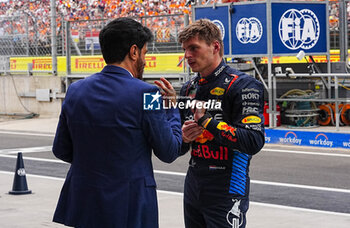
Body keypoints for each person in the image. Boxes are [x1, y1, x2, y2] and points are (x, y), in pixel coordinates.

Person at [52, 18, 184, 228]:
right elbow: (168, 150)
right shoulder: (148, 93)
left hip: (84, 202)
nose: (145, 61)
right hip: (129, 206)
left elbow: (61, 149)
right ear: (133, 52)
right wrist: (171, 108)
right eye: (145, 53)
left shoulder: (75, 90)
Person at [177, 19, 265, 228]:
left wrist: (206, 121)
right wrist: (182, 137)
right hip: (194, 184)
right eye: (185, 50)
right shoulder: (188, 88)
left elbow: (253, 140)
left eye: (194, 48)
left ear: (215, 46)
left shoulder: (243, 85)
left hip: (228, 187)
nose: (187, 55)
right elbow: (181, 147)